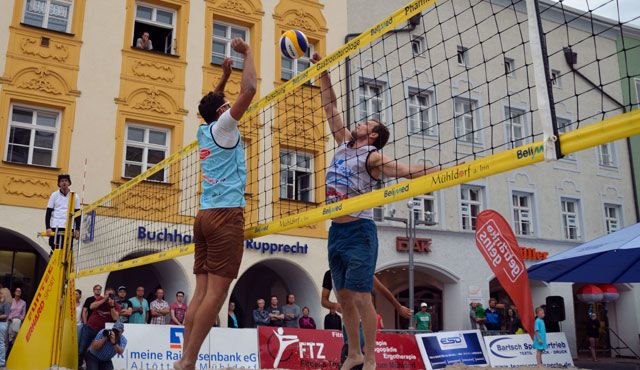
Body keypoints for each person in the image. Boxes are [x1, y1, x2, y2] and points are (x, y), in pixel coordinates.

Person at [314, 52, 438, 370]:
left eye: (367, 122)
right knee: (343, 299)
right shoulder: (343, 143)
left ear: (372, 135)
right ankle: (353, 352)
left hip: (359, 231)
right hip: (336, 231)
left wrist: (440, 171)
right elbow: (330, 108)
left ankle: (370, 355)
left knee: (359, 297)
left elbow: (404, 171)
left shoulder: (372, 157)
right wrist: (322, 72)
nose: (361, 121)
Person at [174, 37, 256, 370]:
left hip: (204, 215)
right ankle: (189, 361)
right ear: (222, 112)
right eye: (224, 104)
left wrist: (223, 75)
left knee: (201, 292)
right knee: (216, 296)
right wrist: (248, 53)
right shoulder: (224, 126)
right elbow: (248, 90)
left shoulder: (204, 130)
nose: (227, 106)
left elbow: (207, 103)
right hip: (225, 217)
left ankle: (183, 358)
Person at [321, 270, 412, 369]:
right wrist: (335, 305)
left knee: (349, 352)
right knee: (353, 356)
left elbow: (382, 288)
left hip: (363, 321)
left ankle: (364, 361)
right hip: (347, 323)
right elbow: (324, 301)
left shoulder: (360, 268)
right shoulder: (330, 274)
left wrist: (398, 306)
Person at [78, 287, 120, 367]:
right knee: (81, 349)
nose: (109, 296)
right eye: (108, 294)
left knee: (95, 351)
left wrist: (111, 306)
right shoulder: (100, 299)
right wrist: (104, 299)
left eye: (111, 295)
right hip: (90, 328)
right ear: (104, 294)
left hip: (101, 332)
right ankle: (79, 366)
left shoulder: (116, 305)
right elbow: (91, 307)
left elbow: (115, 318)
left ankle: (89, 366)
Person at [46, 173, 81, 250]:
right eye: (62, 181)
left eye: (66, 180)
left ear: (69, 183)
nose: (64, 182)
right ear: (59, 183)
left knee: (67, 248)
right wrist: (48, 227)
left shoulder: (74, 196)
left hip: (69, 226)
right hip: (56, 226)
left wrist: (77, 229)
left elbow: (78, 214)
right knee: (54, 247)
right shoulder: (54, 195)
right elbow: (48, 212)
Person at [0, 289, 10, 368]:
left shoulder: (6, 304)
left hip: (3, 324)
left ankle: (2, 362)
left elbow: (6, 315)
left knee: (1, 343)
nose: (0, 295)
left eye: (1, 294)